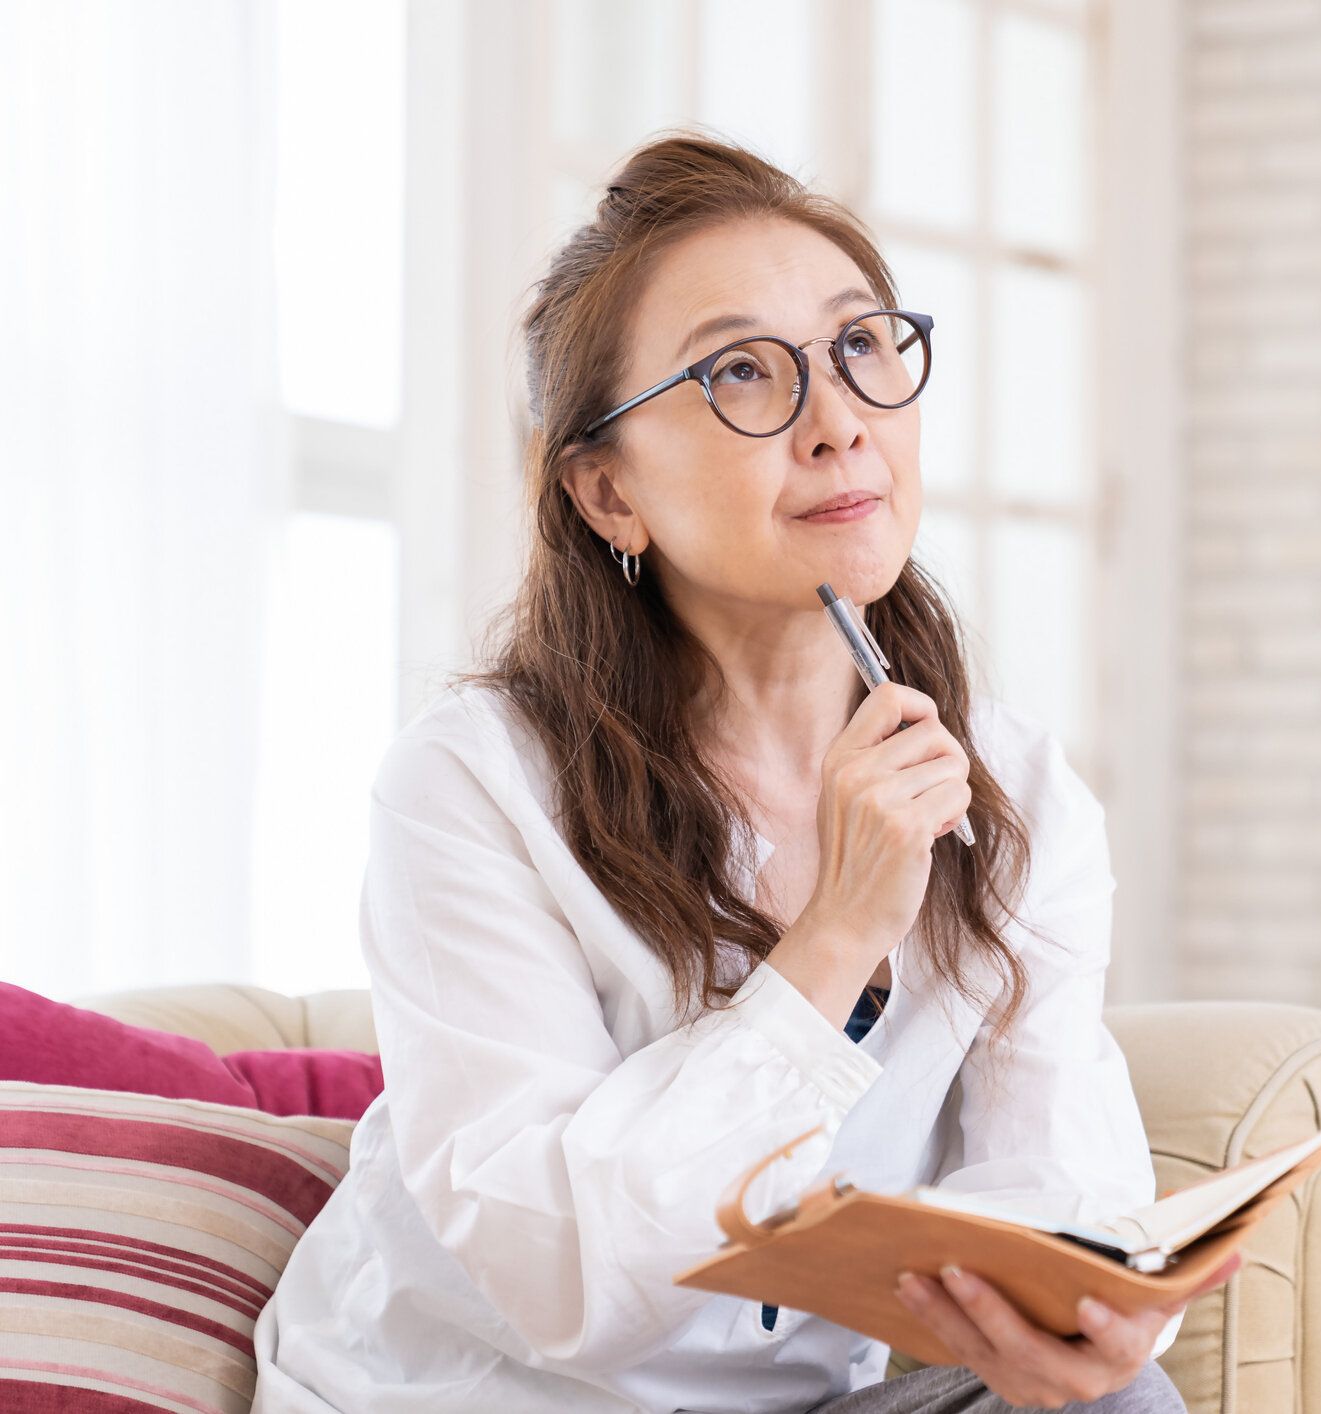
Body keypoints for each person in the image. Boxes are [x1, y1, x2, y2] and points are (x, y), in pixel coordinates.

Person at [249, 130, 1234, 1414]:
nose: (837, 423)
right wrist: (835, 938)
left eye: (862, 348)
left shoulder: (1015, 789)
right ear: (608, 491)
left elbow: (1049, 1181)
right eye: (740, 374)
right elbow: (564, 1286)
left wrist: (1081, 1314)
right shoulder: (470, 786)